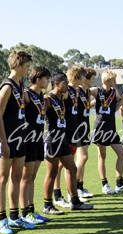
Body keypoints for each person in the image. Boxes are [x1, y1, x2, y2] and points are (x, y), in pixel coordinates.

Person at [0, 50, 35, 234]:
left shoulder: (20, 84)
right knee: (2, 178)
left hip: (21, 137)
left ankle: (14, 216)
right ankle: (1, 220)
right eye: (26, 67)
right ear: (18, 66)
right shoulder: (7, 86)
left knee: (17, 177)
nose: (28, 70)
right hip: (7, 139)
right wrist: (4, 142)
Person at [43, 73, 93, 214]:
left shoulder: (61, 98)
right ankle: (48, 205)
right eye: (65, 82)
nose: (68, 85)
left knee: (72, 168)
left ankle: (75, 201)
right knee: (51, 173)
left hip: (63, 139)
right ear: (58, 83)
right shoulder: (48, 99)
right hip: (52, 139)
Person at [19, 65, 51, 224]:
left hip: (39, 138)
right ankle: (24, 212)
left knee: (32, 177)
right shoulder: (27, 94)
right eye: (46, 79)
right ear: (38, 79)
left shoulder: (42, 97)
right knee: (26, 177)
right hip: (29, 139)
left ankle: (31, 210)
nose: (48, 82)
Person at [53, 66, 87, 208]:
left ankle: (71, 194)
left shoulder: (76, 91)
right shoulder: (66, 91)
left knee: (67, 165)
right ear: (76, 77)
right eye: (83, 76)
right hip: (64, 132)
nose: (85, 79)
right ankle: (57, 195)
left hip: (73, 131)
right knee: (59, 166)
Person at [90, 70, 123, 194]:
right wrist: (92, 104)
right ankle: (104, 184)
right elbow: (84, 94)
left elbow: (119, 101)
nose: (115, 82)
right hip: (100, 127)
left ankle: (119, 184)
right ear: (106, 81)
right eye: (113, 80)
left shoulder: (114, 91)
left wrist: (120, 104)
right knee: (102, 156)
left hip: (111, 128)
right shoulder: (96, 90)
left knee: (122, 154)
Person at [74, 68, 97, 199]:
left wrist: (94, 102)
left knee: (83, 158)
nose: (94, 81)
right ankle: (75, 188)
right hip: (78, 128)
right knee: (82, 157)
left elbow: (85, 106)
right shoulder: (77, 91)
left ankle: (80, 186)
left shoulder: (87, 91)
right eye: (92, 79)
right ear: (85, 79)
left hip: (85, 126)